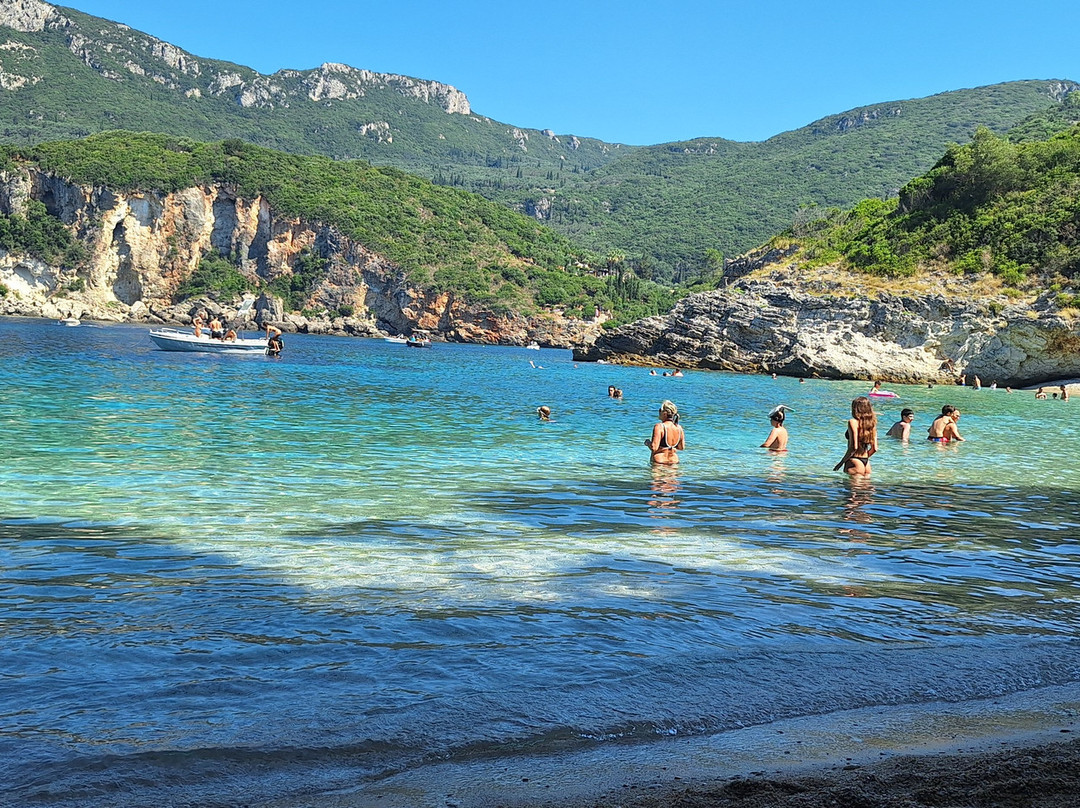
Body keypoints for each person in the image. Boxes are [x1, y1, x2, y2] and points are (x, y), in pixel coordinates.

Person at [834, 396, 877, 475]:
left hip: (854, 461)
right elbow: (875, 449)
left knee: (852, 487)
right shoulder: (872, 424)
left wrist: (841, 462)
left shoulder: (853, 422)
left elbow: (854, 447)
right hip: (866, 463)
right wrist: (864, 458)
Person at [645, 400, 684, 466]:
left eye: (660, 410)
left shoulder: (659, 426)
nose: (659, 412)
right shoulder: (679, 428)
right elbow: (681, 447)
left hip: (659, 462)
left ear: (664, 413)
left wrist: (647, 442)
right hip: (674, 462)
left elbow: (654, 447)